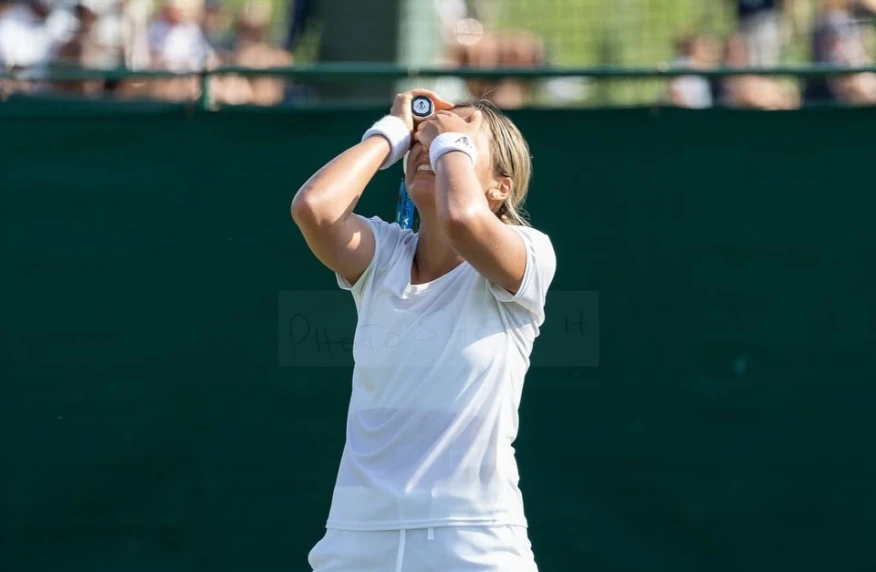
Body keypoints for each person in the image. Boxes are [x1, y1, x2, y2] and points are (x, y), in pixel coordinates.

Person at [290, 89, 556, 571]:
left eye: (465, 127)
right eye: (426, 137)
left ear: (501, 187)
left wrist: (444, 141)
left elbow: (462, 218)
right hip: (356, 538)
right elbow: (314, 208)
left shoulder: (529, 253)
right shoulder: (384, 255)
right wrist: (392, 133)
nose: (433, 138)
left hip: (472, 539)